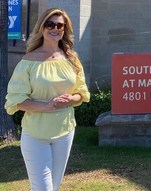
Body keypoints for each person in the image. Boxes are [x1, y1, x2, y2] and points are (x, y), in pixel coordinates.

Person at [4, 8, 90, 191]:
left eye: (60, 25)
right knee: (43, 188)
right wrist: (48, 105)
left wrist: (69, 100)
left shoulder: (71, 59)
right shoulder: (28, 61)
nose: (55, 28)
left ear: (64, 29)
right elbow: (17, 101)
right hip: (36, 135)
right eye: (50, 24)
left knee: (55, 186)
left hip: (65, 132)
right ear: (42, 28)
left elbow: (81, 93)